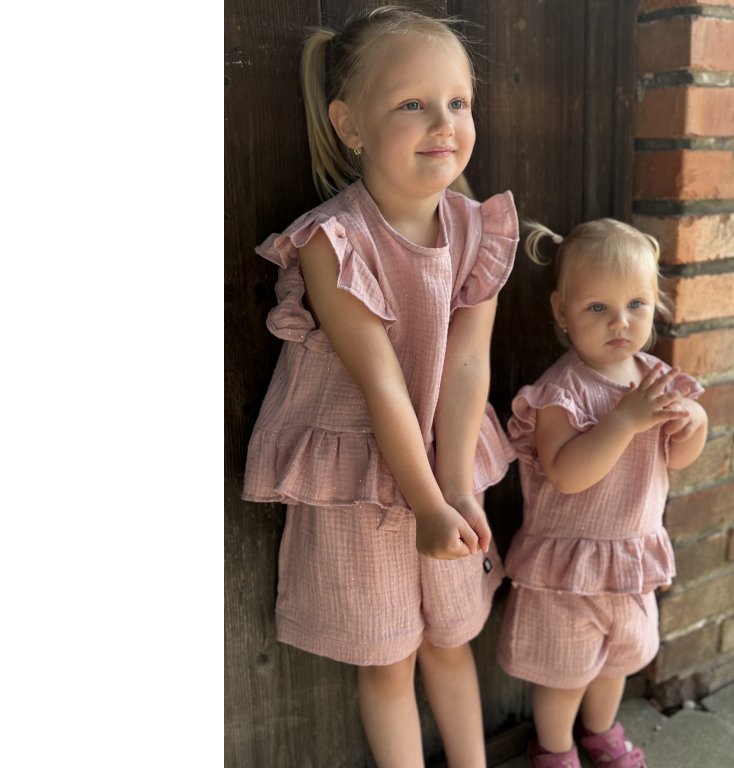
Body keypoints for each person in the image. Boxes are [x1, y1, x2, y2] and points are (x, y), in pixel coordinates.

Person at [241, 6, 518, 767]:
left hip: (447, 459)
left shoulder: (479, 230)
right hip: (358, 477)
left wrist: (455, 490)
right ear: (350, 125)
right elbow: (381, 383)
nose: (444, 123)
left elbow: (467, 365)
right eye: (412, 103)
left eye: (458, 101)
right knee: (389, 659)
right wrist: (426, 502)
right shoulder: (334, 242)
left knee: (452, 641)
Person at [496, 219, 708, 768]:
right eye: (597, 307)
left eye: (636, 304)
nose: (620, 321)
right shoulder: (560, 391)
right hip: (570, 565)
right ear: (561, 311)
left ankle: (600, 731)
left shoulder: (656, 379)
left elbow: (675, 459)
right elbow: (566, 473)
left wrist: (694, 425)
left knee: (617, 662)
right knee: (564, 673)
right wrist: (625, 421)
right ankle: (555, 748)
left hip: (630, 556)